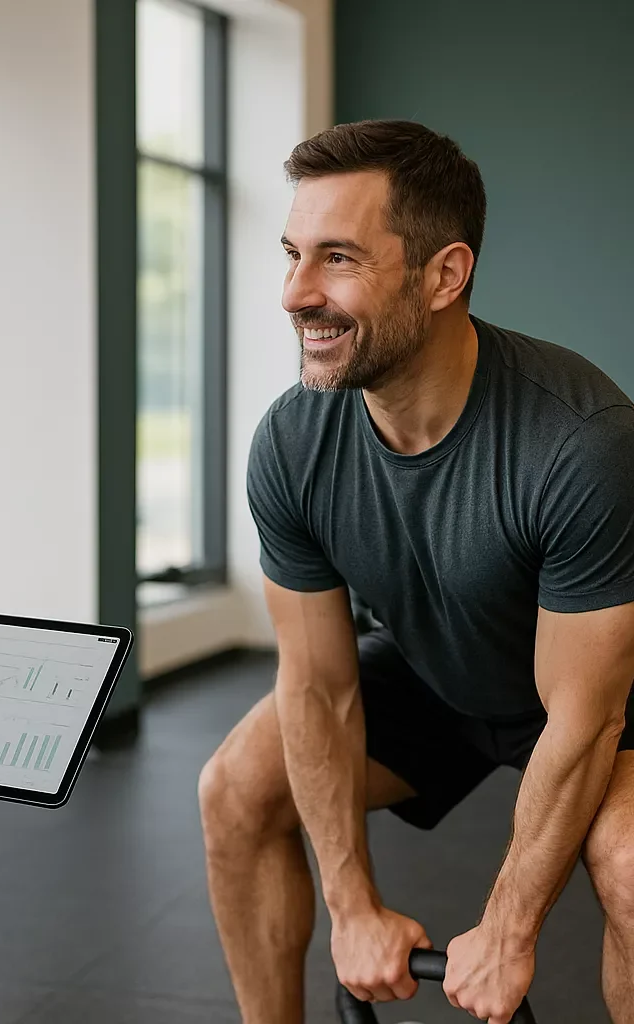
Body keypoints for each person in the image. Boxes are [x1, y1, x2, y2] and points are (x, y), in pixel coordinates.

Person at [199, 119, 634, 1024]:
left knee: (631, 867)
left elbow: (584, 720)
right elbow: (317, 687)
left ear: (444, 275)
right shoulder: (293, 440)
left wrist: (511, 929)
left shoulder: (580, 442)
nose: (294, 293)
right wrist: (349, 907)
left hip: (592, 695)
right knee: (236, 791)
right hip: (439, 669)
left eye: (339, 259)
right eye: (292, 253)